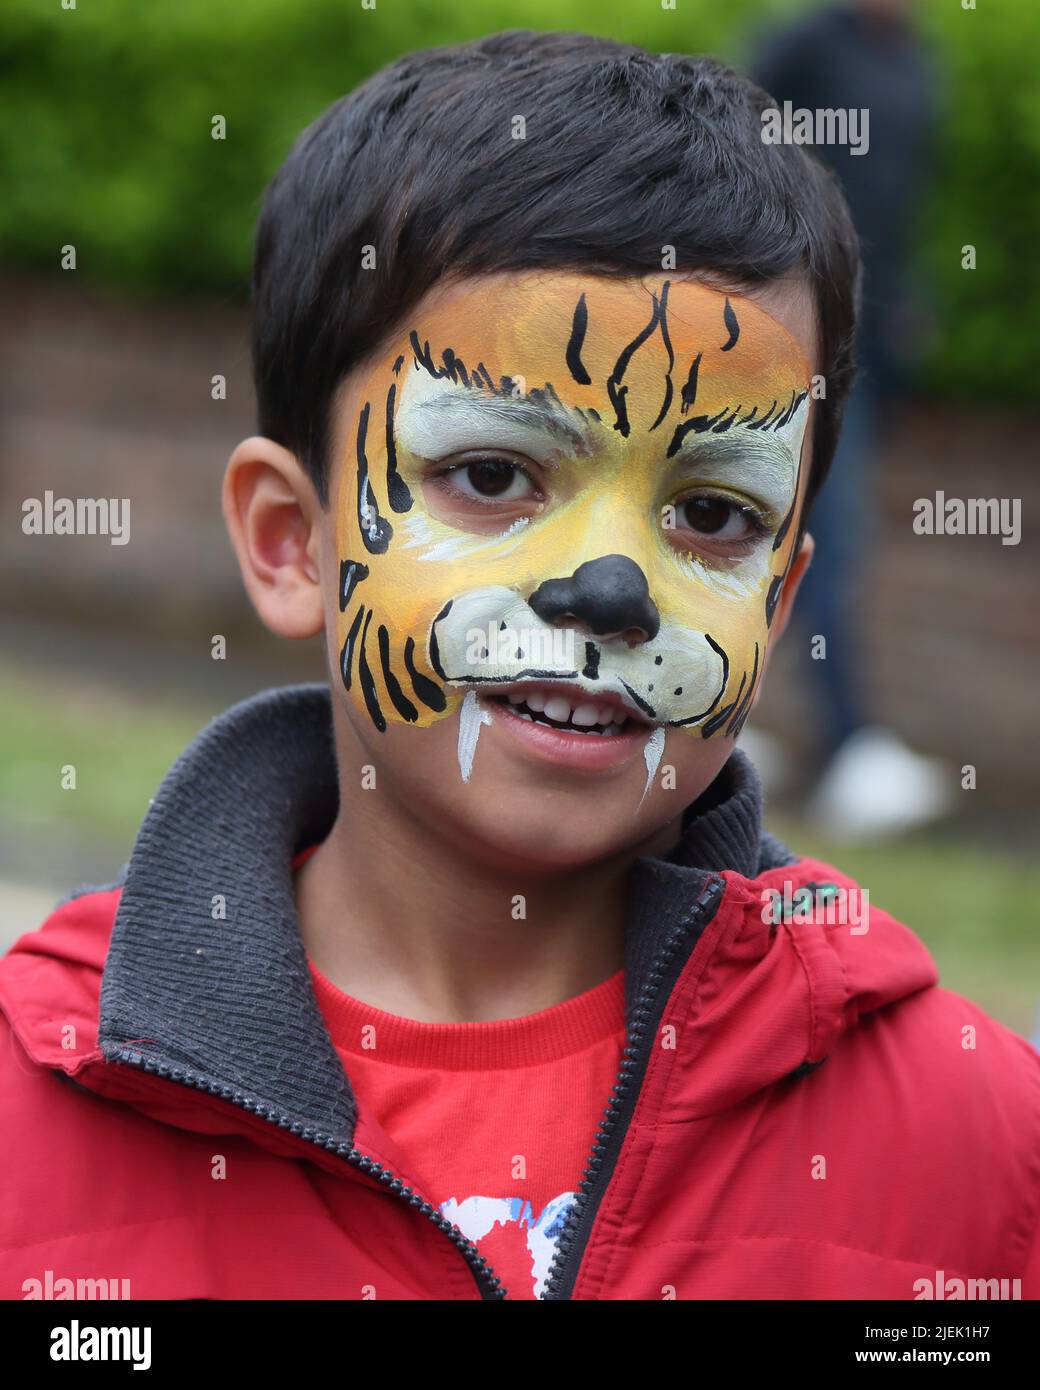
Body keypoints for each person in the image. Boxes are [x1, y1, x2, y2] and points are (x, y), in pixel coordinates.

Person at [2, 31, 1037, 1302]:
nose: (610, 590)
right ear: (290, 542)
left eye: (711, 514)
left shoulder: (977, 1148)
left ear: (777, 606)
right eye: (490, 475)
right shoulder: (34, 1115)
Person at [752, 0, 952, 834]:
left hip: (874, 342)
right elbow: (740, 165)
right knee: (807, 534)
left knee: (825, 538)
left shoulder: (916, 57)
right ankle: (844, 742)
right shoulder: (801, 43)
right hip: (798, 343)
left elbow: (898, 200)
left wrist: (903, 301)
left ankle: (795, 733)